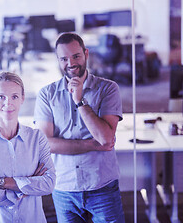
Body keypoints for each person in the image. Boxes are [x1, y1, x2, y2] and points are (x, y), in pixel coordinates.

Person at [34, 32, 125, 223]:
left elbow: (106, 138)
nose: (71, 63)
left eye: (76, 56)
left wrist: (80, 101)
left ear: (86, 54)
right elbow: (45, 144)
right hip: (64, 188)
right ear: (58, 60)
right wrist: (92, 145)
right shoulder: (47, 94)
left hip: (102, 185)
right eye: (64, 59)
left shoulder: (108, 89)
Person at [0, 71, 56, 223]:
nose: (8, 103)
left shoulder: (36, 138)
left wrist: (1, 182)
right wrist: (27, 186)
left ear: (22, 98)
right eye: (1, 97)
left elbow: (48, 184)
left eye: (14, 96)